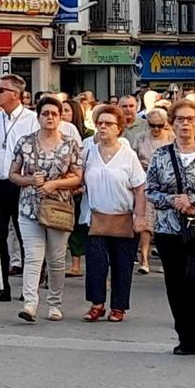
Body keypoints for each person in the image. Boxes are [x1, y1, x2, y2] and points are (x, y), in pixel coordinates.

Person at [145, 99, 195, 358]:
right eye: (179, 119)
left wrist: (193, 200)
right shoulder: (161, 155)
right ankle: (185, 338)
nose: (184, 124)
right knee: (176, 283)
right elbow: (151, 191)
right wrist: (174, 201)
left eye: (190, 119)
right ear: (172, 122)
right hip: (169, 228)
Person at [8, 97, 83, 322]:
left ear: (60, 118)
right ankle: (30, 303)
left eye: (54, 114)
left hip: (58, 208)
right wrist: (30, 180)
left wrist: (55, 183)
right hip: (30, 208)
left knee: (57, 259)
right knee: (32, 257)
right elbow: (12, 174)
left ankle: (55, 302)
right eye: (45, 113)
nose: (49, 117)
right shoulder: (25, 142)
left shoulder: (70, 144)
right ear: (38, 116)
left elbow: (79, 177)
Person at [82, 105, 148, 323]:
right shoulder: (89, 152)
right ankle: (97, 303)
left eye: (108, 124)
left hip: (123, 218)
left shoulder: (128, 155)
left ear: (119, 128)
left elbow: (140, 188)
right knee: (95, 264)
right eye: (100, 123)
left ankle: (118, 306)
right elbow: (78, 179)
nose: (103, 127)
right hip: (96, 218)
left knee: (122, 265)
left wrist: (140, 217)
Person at [0, 74, 39, 303]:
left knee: (26, 236)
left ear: (15, 94)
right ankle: (1, 286)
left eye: (2, 90)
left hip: (22, 183)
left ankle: (29, 287)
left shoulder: (31, 120)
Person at [133, 108, 173, 275]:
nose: (156, 129)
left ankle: (166, 260)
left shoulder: (171, 138)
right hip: (145, 182)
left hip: (166, 185)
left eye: (160, 125)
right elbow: (133, 159)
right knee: (146, 225)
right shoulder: (140, 138)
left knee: (164, 224)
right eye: (152, 125)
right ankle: (144, 259)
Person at [62, 98, 91, 277]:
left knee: (81, 226)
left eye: (66, 110)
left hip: (82, 186)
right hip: (66, 187)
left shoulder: (88, 135)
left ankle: (80, 263)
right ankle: (72, 263)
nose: (63, 115)